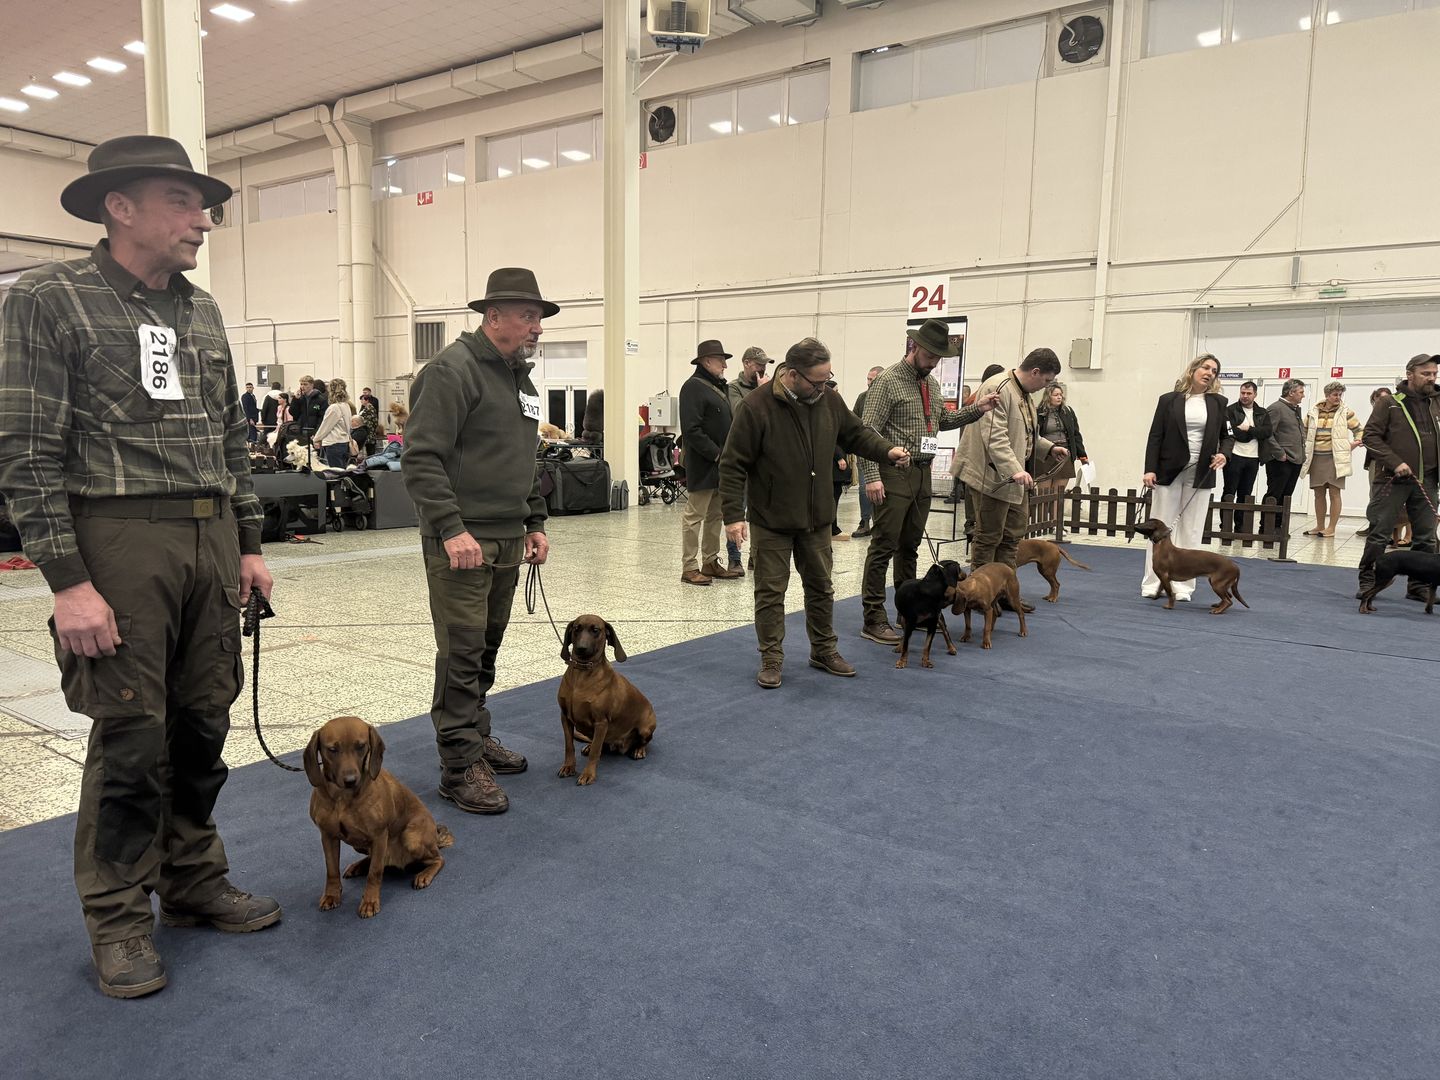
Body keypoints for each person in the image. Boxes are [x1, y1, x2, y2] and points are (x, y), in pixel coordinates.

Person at [0, 135, 280, 999]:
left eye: (204, 206)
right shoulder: (50, 299)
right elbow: (27, 450)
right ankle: (118, 917)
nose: (203, 221)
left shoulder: (203, 311)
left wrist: (248, 542)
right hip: (118, 541)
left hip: (208, 537)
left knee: (203, 724)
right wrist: (68, 581)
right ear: (120, 208)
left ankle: (191, 879)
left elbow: (231, 436)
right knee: (130, 739)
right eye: (181, 201)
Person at [404, 267, 553, 816]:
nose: (537, 327)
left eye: (539, 317)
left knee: (486, 647)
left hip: (507, 538)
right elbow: (421, 458)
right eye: (528, 316)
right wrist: (450, 527)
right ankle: (458, 765)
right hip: (462, 542)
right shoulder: (452, 371)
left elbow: (526, 459)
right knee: (462, 652)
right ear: (493, 316)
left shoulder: (520, 379)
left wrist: (534, 521)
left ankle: (475, 735)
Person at [719, 339, 911, 689]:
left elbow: (856, 434)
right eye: (817, 381)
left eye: (827, 379)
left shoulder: (829, 400)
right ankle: (771, 658)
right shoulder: (755, 406)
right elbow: (732, 464)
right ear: (793, 375)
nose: (824, 387)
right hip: (772, 519)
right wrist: (733, 515)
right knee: (770, 593)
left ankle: (823, 650)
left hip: (817, 518)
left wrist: (887, 451)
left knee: (821, 588)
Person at [859, 319, 997, 644]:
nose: (934, 361)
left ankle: (908, 611)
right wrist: (872, 476)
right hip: (893, 471)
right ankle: (873, 618)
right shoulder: (888, 381)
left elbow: (943, 420)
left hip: (922, 472)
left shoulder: (931, 384)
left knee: (909, 547)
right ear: (915, 347)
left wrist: (978, 409)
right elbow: (867, 431)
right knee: (883, 546)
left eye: (939, 357)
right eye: (930, 355)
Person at [954, 348, 1067, 609]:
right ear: (1035, 372)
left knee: (1011, 538)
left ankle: (1004, 593)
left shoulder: (1024, 393)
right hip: (991, 478)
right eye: (1046, 380)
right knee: (988, 537)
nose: (1046, 386)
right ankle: (980, 595)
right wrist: (1015, 469)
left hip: (1014, 478)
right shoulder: (998, 388)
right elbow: (994, 437)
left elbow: (1025, 433)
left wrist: (1048, 447)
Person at [1139, 353, 1233, 601]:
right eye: (1206, 367)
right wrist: (1150, 469)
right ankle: (1153, 582)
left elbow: (1228, 437)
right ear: (1193, 370)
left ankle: (1183, 587)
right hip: (1169, 470)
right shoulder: (1168, 400)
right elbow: (1155, 436)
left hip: (1201, 472)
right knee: (1160, 530)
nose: (1210, 373)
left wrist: (1223, 454)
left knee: (1191, 529)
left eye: (1214, 371)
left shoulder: (1219, 402)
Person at [1356, 353, 1440, 600]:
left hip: (1428, 479)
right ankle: (1369, 581)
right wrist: (1395, 462)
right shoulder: (1389, 403)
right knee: (1379, 533)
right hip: (1392, 479)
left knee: (1426, 537)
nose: (1431, 378)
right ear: (1409, 374)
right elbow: (1370, 437)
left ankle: (1418, 586)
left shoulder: (1437, 402)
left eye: (1434, 374)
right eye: (1426, 374)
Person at [679, 339, 741, 586]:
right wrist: (716, 454)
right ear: (706, 361)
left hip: (720, 465)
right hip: (704, 464)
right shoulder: (693, 387)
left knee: (716, 515)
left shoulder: (718, 386)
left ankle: (710, 561)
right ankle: (689, 567)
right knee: (694, 516)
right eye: (721, 360)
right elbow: (692, 430)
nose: (725, 365)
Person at [723, 346, 772, 572]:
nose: (762, 369)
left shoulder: (767, 388)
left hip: (764, 458)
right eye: (758, 364)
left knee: (759, 510)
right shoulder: (734, 388)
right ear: (746, 363)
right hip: (743, 456)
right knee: (738, 510)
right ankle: (735, 558)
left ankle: (756, 555)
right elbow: (739, 412)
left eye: (764, 365)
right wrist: (762, 392)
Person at [1299, 381, 1363, 538]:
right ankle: (1320, 526)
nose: (1338, 397)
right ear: (1327, 395)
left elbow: (1359, 430)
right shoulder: (1313, 412)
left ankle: (1331, 528)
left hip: (1336, 458)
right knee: (1318, 493)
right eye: (1335, 394)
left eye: (1340, 395)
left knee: (1335, 493)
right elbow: (1303, 431)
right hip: (1316, 458)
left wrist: (1354, 443)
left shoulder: (1345, 412)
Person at [1221, 380, 1271, 535]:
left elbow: (1267, 432)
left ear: (1255, 394)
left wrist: (1249, 429)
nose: (1245, 396)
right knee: (1229, 491)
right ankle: (1225, 525)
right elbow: (1230, 432)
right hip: (1234, 455)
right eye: (1243, 392)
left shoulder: (1262, 412)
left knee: (1246, 493)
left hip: (1253, 458)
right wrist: (1252, 433)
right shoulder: (1230, 410)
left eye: (1249, 393)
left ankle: (1240, 525)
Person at [1034, 380, 1088, 499]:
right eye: (1056, 395)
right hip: (1045, 455)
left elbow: (1075, 435)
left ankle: (1056, 512)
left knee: (1058, 495)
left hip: (1065, 455)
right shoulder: (1038, 412)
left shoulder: (1067, 411)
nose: (1059, 397)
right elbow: (1034, 435)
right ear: (1048, 396)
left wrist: (1083, 456)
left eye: (1061, 394)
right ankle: (1044, 512)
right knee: (1044, 495)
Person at [1261, 377, 1306, 515]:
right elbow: (1267, 434)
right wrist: (1279, 453)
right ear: (1291, 393)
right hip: (1280, 461)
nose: (1303, 395)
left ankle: (1279, 524)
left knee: (1286, 496)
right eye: (1301, 392)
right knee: (1274, 494)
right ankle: (1267, 525)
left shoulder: (1293, 409)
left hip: (1295, 459)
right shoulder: (1276, 408)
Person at [850, 365, 885, 538]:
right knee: (865, 488)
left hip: (884, 451)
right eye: (868, 379)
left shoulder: (887, 397)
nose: (869, 382)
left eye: (872, 379)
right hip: (865, 451)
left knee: (885, 489)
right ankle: (865, 522)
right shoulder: (862, 397)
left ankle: (881, 523)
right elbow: (854, 421)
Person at [1357, 386, 1393, 537]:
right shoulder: (1375, 416)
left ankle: (1387, 529)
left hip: (1389, 461)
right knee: (1374, 493)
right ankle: (1374, 524)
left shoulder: (1395, 415)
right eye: (1378, 400)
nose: (1381, 403)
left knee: (1388, 495)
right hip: (1374, 460)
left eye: (1384, 399)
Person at [312, 383, 353, 468]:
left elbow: (326, 426)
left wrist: (316, 438)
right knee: (342, 470)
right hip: (344, 442)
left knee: (335, 472)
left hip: (334, 443)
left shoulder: (334, 407)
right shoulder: (346, 405)